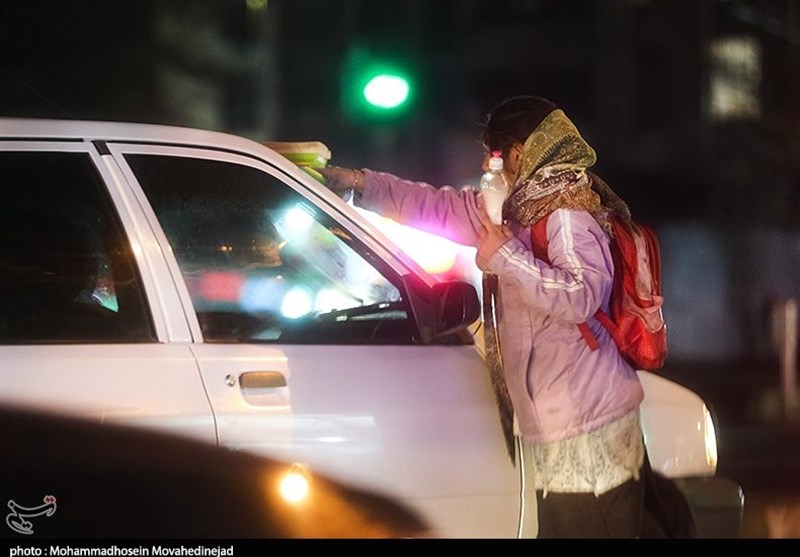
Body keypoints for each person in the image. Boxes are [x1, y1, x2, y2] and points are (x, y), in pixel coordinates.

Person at [319, 96, 647, 538]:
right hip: (560, 423)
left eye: (494, 155)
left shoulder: (567, 211)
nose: (490, 166)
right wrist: (359, 184)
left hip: (591, 429)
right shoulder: (514, 208)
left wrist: (506, 257)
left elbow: (582, 294)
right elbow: (434, 207)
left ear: (518, 152)